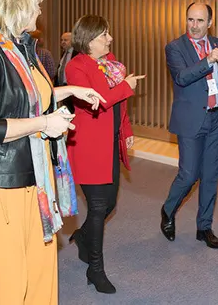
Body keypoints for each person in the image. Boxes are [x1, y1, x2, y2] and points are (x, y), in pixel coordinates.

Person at [0, 0, 105, 305]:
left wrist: (69, 90)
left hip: (33, 175)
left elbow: (30, 96)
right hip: (0, 183)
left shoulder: (20, 49)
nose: (39, 12)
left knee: (38, 269)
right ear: (16, 4)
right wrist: (42, 124)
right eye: (35, 4)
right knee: (3, 280)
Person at [65, 15, 144, 294]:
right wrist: (126, 86)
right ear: (87, 40)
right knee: (99, 207)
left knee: (109, 205)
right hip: (88, 147)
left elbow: (118, 107)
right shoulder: (76, 66)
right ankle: (95, 269)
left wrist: (126, 129)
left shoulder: (109, 65)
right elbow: (96, 102)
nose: (109, 39)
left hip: (110, 144)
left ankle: (82, 235)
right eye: (103, 35)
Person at [160, 2, 218, 249]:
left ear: (210, 23)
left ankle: (204, 227)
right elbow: (182, 77)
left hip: (217, 118)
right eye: (190, 20)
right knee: (188, 174)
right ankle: (168, 210)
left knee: (210, 176)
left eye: (199, 21)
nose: (194, 26)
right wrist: (207, 60)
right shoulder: (175, 47)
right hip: (191, 120)